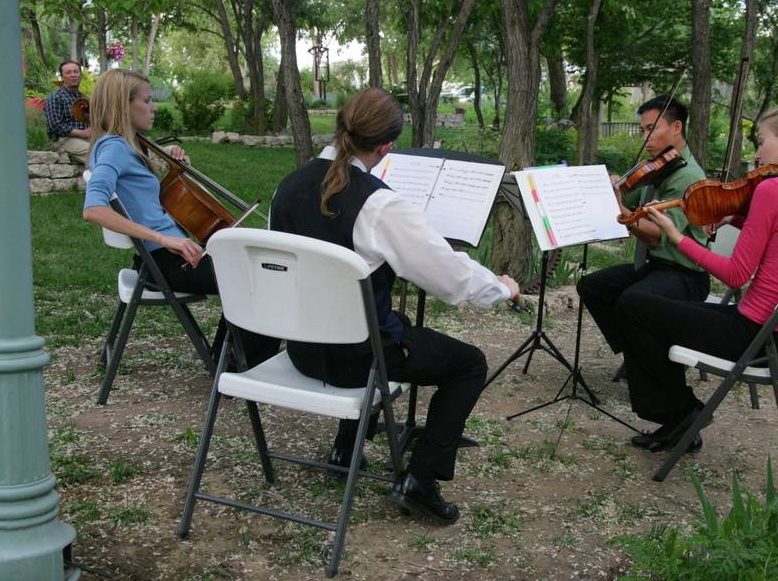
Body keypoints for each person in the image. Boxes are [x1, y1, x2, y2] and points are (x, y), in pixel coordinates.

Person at [269, 87, 520, 526]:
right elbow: (452, 279)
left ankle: (346, 448)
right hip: (356, 360)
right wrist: (501, 287)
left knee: (369, 320)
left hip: (303, 349)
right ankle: (421, 481)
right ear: (385, 146)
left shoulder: (285, 188)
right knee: (468, 364)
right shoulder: (378, 203)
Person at [619, 102, 778, 454]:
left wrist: (677, 238)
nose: (757, 152)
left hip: (753, 337)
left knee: (633, 304)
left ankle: (681, 414)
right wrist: (735, 219)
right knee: (655, 303)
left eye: (762, 140)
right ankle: (677, 415)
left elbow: (736, 275)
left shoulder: (776, 190)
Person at [82, 69, 272, 365]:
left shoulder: (122, 145)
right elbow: (93, 208)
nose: (153, 107)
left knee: (256, 272)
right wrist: (163, 237)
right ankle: (233, 365)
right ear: (124, 105)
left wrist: (166, 156)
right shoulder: (114, 149)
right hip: (167, 262)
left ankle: (228, 359)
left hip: (162, 258)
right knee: (261, 280)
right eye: (146, 101)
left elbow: (138, 194)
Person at [576, 96, 710, 380]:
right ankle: (639, 352)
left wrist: (624, 212)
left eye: (652, 128)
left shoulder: (688, 178)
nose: (645, 137)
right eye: (643, 130)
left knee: (632, 299)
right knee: (592, 286)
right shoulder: (657, 169)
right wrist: (612, 185)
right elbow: (626, 193)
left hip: (684, 273)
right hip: (655, 267)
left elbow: (657, 237)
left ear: (676, 127)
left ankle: (651, 360)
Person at [45, 59, 91, 163]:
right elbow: (54, 125)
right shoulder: (56, 97)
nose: (73, 75)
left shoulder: (84, 98)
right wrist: (82, 133)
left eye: (76, 71)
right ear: (62, 76)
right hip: (65, 140)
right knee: (95, 152)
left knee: (114, 147)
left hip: (87, 138)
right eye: (68, 72)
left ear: (80, 74)